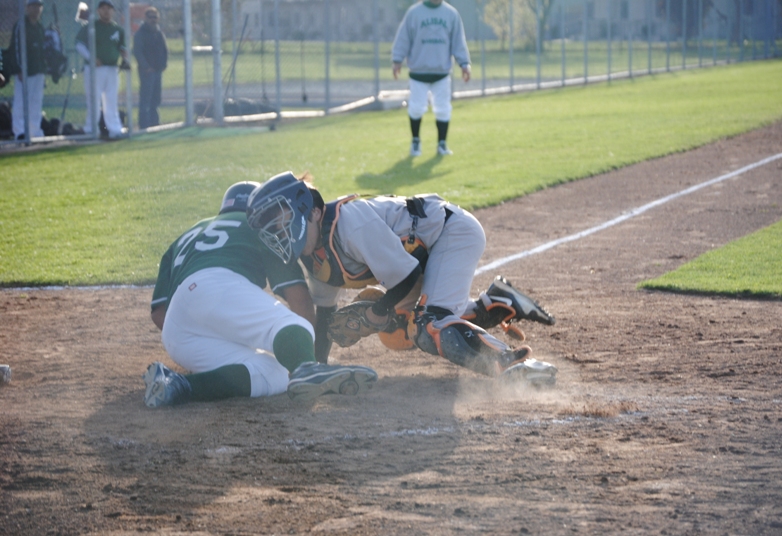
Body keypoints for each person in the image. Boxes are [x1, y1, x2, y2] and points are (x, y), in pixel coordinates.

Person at [246, 172, 558, 386]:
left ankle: (514, 364)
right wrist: (317, 369)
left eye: (283, 221)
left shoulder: (349, 224)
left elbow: (407, 277)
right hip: (421, 255)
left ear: (313, 212)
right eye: (272, 229)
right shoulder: (316, 256)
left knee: (428, 325)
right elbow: (325, 314)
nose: (278, 233)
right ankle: (497, 302)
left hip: (450, 233)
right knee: (400, 329)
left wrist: (377, 312)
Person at [144, 181, 378, 408]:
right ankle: (308, 369)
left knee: (275, 373)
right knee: (293, 324)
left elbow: (159, 313)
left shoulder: (185, 236)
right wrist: (307, 355)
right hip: (217, 287)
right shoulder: (261, 227)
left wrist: (221, 328)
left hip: (177, 333)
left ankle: (178, 385)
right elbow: (299, 298)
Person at [391, 0, 471, 157]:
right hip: (418, 71)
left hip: (442, 72)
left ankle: (442, 144)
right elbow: (403, 38)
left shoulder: (451, 14)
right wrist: (397, 60)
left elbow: (458, 41)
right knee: (416, 108)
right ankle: (416, 141)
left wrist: (464, 63)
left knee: (443, 108)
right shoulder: (414, 13)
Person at [75, 0, 128, 139]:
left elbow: (123, 48)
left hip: (112, 69)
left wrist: (124, 57)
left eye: (109, 8)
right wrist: (92, 58)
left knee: (111, 100)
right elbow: (79, 45)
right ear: (98, 11)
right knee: (93, 100)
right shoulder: (91, 27)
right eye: (103, 8)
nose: (106, 11)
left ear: (113, 11)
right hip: (94, 69)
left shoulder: (118, 29)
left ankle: (115, 130)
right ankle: (91, 130)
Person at [9, 0, 47, 139]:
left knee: (36, 102)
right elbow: (16, 48)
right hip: (24, 71)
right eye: (33, 6)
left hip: (38, 70)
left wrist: (44, 69)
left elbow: (43, 50)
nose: (36, 9)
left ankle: (34, 131)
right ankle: (19, 131)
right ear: (27, 8)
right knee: (21, 102)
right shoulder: (21, 25)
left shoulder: (40, 27)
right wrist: (19, 68)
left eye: (38, 6)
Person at [133, 7, 167, 130]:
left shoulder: (159, 33)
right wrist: (146, 67)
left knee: (156, 99)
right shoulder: (140, 33)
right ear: (145, 18)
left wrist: (163, 64)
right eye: (150, 17)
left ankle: (155, 123)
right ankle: (144, 125)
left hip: (158, 70)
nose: (153, 19)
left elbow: (164, 50)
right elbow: (137, 52)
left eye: (155, 17)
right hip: (147, 71)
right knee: (146, 99)